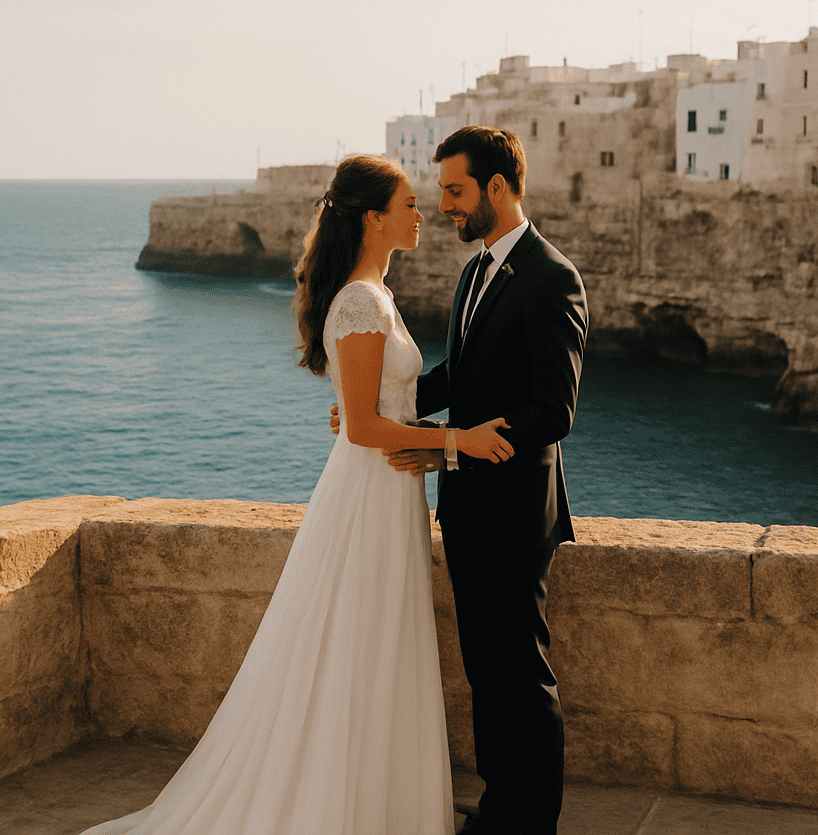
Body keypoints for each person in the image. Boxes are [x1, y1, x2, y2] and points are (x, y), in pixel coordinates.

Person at [79, 155, 513, 835]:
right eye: (407, 204)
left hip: (385, 489)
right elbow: (367, 425)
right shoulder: (363, 300)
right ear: (374, 218)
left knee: (376, 645)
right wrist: (459, 443)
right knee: (360, 644)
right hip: (371, 493)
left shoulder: (370, 293)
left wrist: (408, 430)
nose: (421, 213)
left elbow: (365, 411)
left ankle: (372, 802)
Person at [334, 126, 588, 835]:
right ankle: (500, 807)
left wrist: (446, 452)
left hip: (516, 514)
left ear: (497, 189)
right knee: (485, 676)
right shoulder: (476, 271)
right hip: (468, 511)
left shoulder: (550, 276)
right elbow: (462, 378)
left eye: (453, 190)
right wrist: (386, 412)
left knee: (524, 679)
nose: (443, 204)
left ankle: (533, 822)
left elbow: (553, 412)